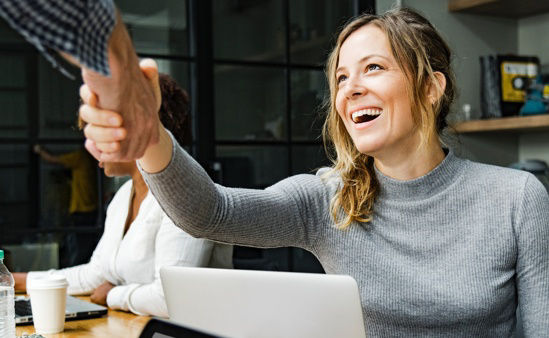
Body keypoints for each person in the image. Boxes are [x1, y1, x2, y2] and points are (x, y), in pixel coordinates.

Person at [1, 2, 547, 336]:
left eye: (374, 68)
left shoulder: (517, 198)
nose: (350, 87)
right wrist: (150, 137)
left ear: (432, 87)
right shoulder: (326, 199)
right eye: (340, 77)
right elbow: (211, 211)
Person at [12, 74, 233, 317]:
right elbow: (95, 274)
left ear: (139, 129)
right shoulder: (123, 196)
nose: (92, 145)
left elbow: (169, 298)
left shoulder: (187, 193)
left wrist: (113, 295)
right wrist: (17, 281)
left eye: (101, 131)